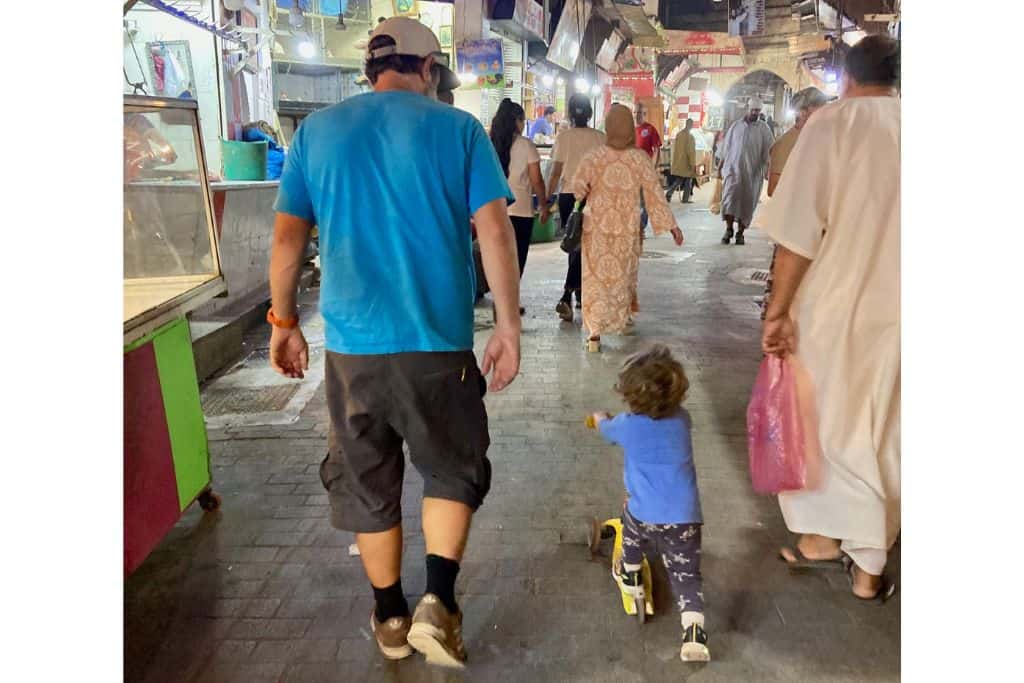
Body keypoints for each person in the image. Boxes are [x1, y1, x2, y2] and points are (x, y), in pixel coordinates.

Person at [267, 17, 522, 668]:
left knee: (367, 482)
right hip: (438, 343)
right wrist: (510, 325)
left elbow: (288, 238)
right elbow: (495, 232)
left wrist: (283, 321)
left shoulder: (316, 135)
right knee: (450, 467)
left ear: (370, 69)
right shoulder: (459, 130)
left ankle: (389, 615)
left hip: (353, 351)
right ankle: (438, 600)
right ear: (429, 70)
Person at [755, 34, 900, 601]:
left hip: (837, 307)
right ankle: (868, 567)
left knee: (828, 424)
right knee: (887, 426)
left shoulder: (833, 126)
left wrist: (779, 309)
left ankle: (821, 541)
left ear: (845, 77)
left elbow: (797, 236)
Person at [591, 345, 709, 663]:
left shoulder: (626, 425)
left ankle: (629, 574)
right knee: (687, 575)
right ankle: (694, 632)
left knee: (632, 536)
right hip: (685, 517)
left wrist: (599, 418)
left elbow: (605, 429)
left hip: (643, 513)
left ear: (629, 395)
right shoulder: (683, 419)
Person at [570, 104, 683, 353]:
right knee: (620, 276)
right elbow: (654, 194)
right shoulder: (638, 158)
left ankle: (594, 334)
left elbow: (577, 188)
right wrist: (672, 226)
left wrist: (587, 191)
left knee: (595, 279)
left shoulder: (594, 156)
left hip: (596, 228)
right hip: (626, 228)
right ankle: (620, 320)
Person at [760, 87, 829, 319]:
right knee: (788, 299)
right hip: (795, 231)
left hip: (820, 234)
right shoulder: (788, 143)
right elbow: (772, 188)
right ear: (805, 112)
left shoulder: (825, 139)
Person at [545, 93, 606, 322]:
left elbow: (556, 173)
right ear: (590, 113)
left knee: (575, 245)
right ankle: (571, 293)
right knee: (583, 247)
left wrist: (546, 199)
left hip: (569, 197)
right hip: (593, 197)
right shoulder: (600, 138)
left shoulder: (564, 138)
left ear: (570, 114)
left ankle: (571, 294)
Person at [489, 98, 550, 314]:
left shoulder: (489, 143)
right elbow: (536, 180)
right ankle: (508, 303)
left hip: (493, 211)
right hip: (521, 212)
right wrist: (543, 205)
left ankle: (501, 300)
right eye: (523, 120)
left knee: (497, 257)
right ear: (516, 121)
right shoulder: (525, 145)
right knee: (516, 260)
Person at [717, 96, 773, 245]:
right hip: (732, 171)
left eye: (758, 111)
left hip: (752, 175)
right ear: (747, 109)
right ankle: (729, 229)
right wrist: (720, 167)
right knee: (728, 200)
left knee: (747, 205)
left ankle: (740, 233)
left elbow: (769, 152)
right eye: (753, 110)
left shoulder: (764, 130)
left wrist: (768, 170)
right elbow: (726, 148)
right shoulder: (736, 126)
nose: (755, 113)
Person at [666, 118, 697, 204]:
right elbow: (691, 152)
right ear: (691, 125)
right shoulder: (690, 137)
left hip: (679, 162)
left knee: (679, 179)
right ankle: (685, 199)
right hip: (686, 163)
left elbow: (675, 149)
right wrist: (692, 164)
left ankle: (669, 193)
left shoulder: (679, 134)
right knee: (688, 180)